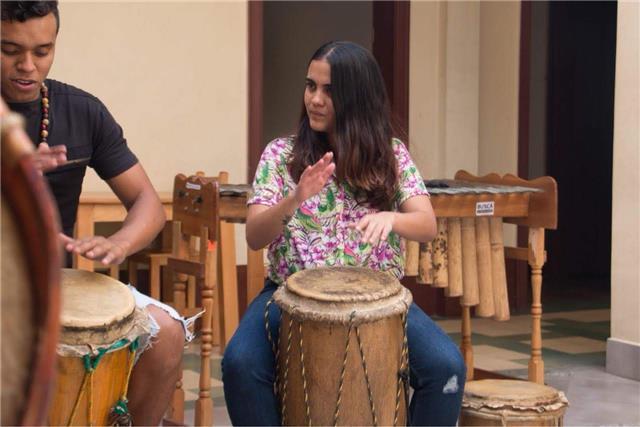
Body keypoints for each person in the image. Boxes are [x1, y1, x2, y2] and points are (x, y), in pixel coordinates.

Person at [222, 40, 466, 426]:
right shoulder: (280, 154)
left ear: (357, 97)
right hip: (289, 294)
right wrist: (296, 197)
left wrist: (392, 219)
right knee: (239, 363)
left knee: (446, 366)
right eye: (310, 86)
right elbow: (254, 236)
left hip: (378, 299)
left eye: (329, 90)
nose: (315, 99)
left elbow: (426, 223)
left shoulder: (391, 155)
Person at [1, 2, 185, 424]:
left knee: (168, 333)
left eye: (42, 51)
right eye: (9, 50)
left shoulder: (82, 111)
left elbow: (148, 205)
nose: (27, 65)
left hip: (55, 284)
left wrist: (119, 243)